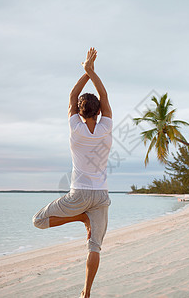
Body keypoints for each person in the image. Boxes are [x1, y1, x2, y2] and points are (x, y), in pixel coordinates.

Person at [32, 47, 112, 298]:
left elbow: (72, 95)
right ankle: (86, 293)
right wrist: (92, 71)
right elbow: (104, 95)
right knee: (95, 246)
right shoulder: (106, 127)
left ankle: (79, 218)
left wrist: (85, 72)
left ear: (79, 112)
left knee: (38, 221)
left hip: (78, 195)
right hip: (100, 196)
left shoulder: (74, 128)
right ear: (98, 112)